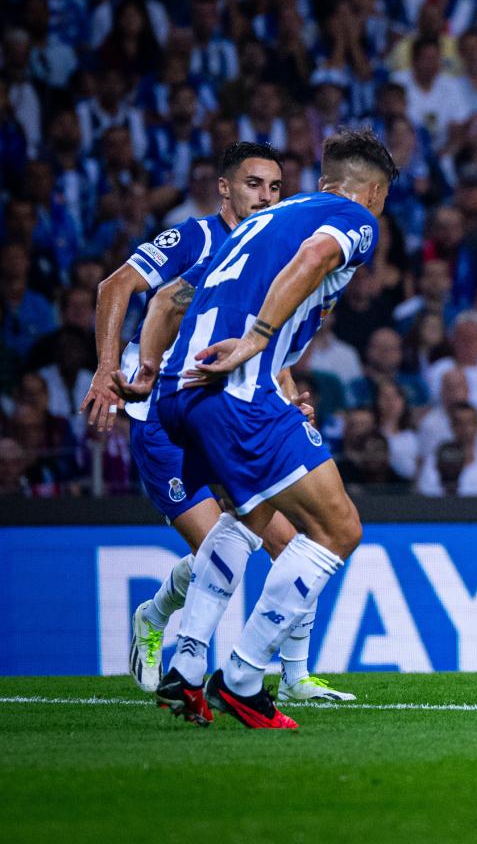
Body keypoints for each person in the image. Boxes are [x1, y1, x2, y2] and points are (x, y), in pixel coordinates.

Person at [122, 129, 396, 730]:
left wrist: (148, 366)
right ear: (371, 192)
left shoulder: (259, 222)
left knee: (244, 518)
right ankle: (245, 678)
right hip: (234, 391)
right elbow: (316, 259)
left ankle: (187, 667)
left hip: (179, 391)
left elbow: (170, 299)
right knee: (337, 527)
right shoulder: (353, 218)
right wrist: (259, 339)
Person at [78, 141, 352, 705]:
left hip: (229, 414)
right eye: (254, 184)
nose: (266, 197)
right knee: (222, 553)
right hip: (163, 419)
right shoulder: (197, 238)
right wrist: (110, 370)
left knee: (286, 544)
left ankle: (295, 676)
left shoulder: (272, 246)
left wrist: (285, 395)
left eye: (276, 188)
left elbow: (258, 350)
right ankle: (158, 620)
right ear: (223, 187)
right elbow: (120, 289)